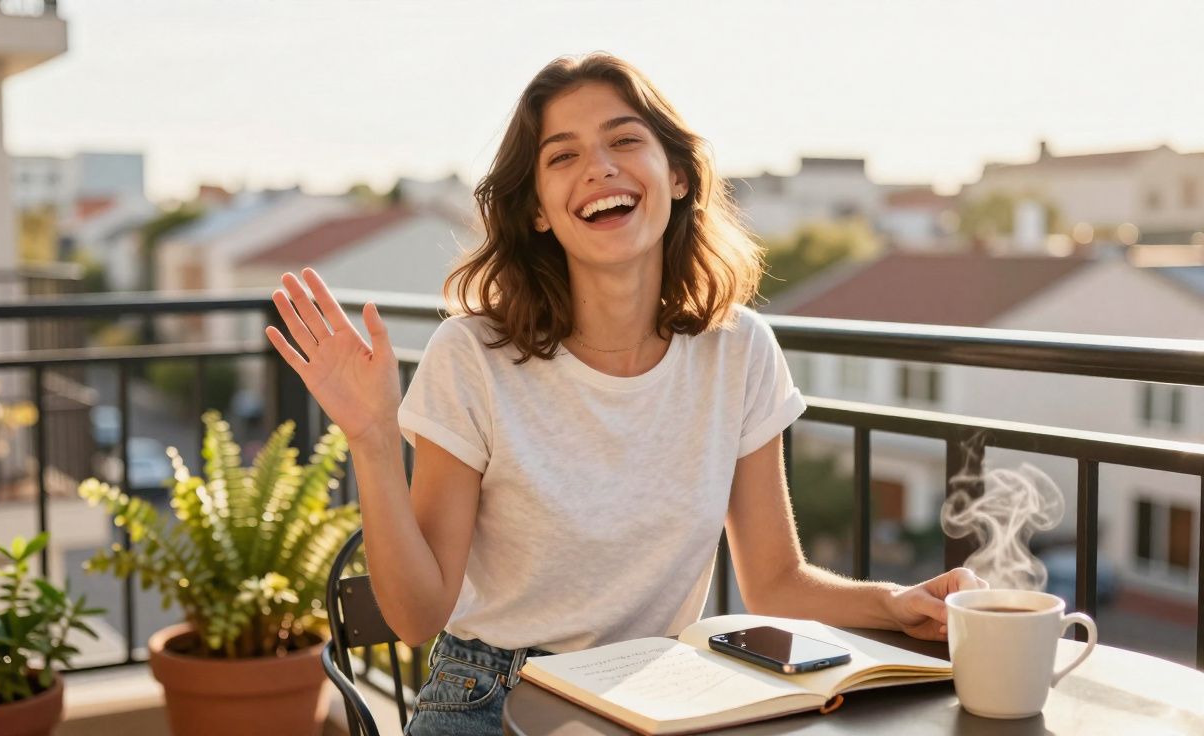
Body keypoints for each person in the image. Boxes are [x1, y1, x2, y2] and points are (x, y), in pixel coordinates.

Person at [266, 52, 984, 736]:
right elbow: (417, 616)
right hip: (490, 697)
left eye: (624, 140)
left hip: (657, 696)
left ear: (677, 175)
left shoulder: (739, 350)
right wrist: (371, 438)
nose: (599, 167)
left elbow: (774, 581)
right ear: (538, 209)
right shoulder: (472, 356)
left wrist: (894, 602)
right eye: (563, 156)